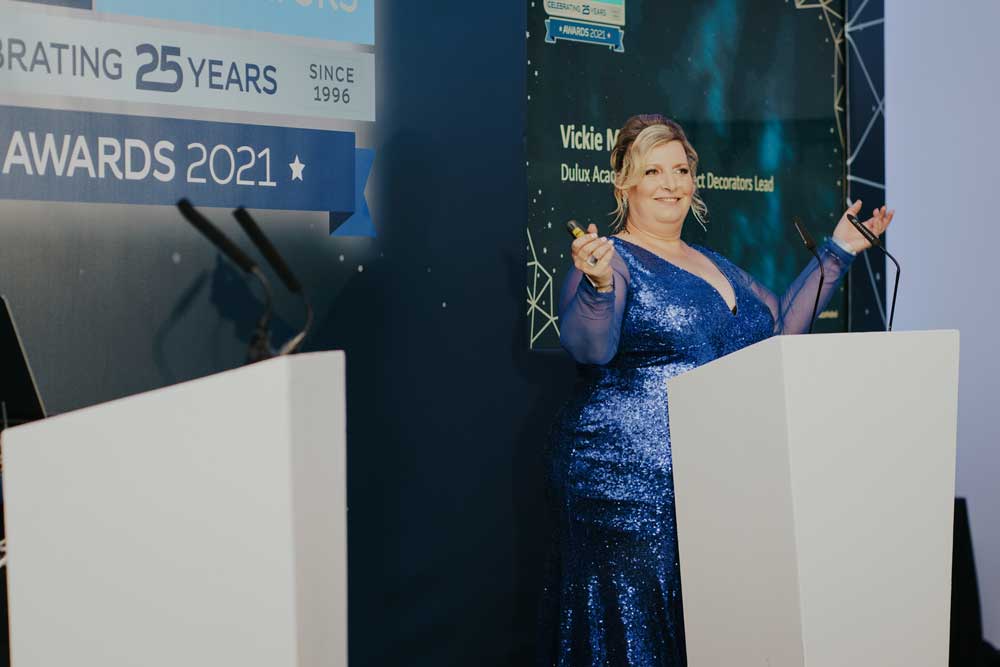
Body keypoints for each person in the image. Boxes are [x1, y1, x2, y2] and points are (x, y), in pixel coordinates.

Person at [537, 114, 893, 666]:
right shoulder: (613, 260)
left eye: (680, 170)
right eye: (652, 171)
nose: (670, 184)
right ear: (624, 183)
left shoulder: (714, 264)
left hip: (708, 487)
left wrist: (840, 249)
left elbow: (778, 330)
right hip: (623, 487)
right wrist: (598, 285)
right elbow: (591, 349)